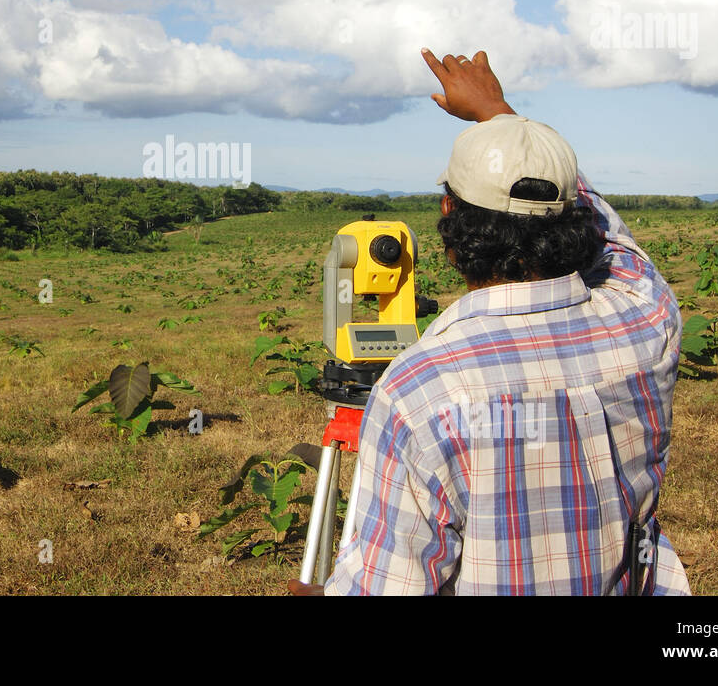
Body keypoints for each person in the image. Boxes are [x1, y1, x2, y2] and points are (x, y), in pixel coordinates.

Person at [291, 48, 689, 596]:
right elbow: (618, 245)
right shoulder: (645, 320)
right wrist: (501, 116)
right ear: (572, 219)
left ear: (450, 222)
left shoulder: (421, 391)